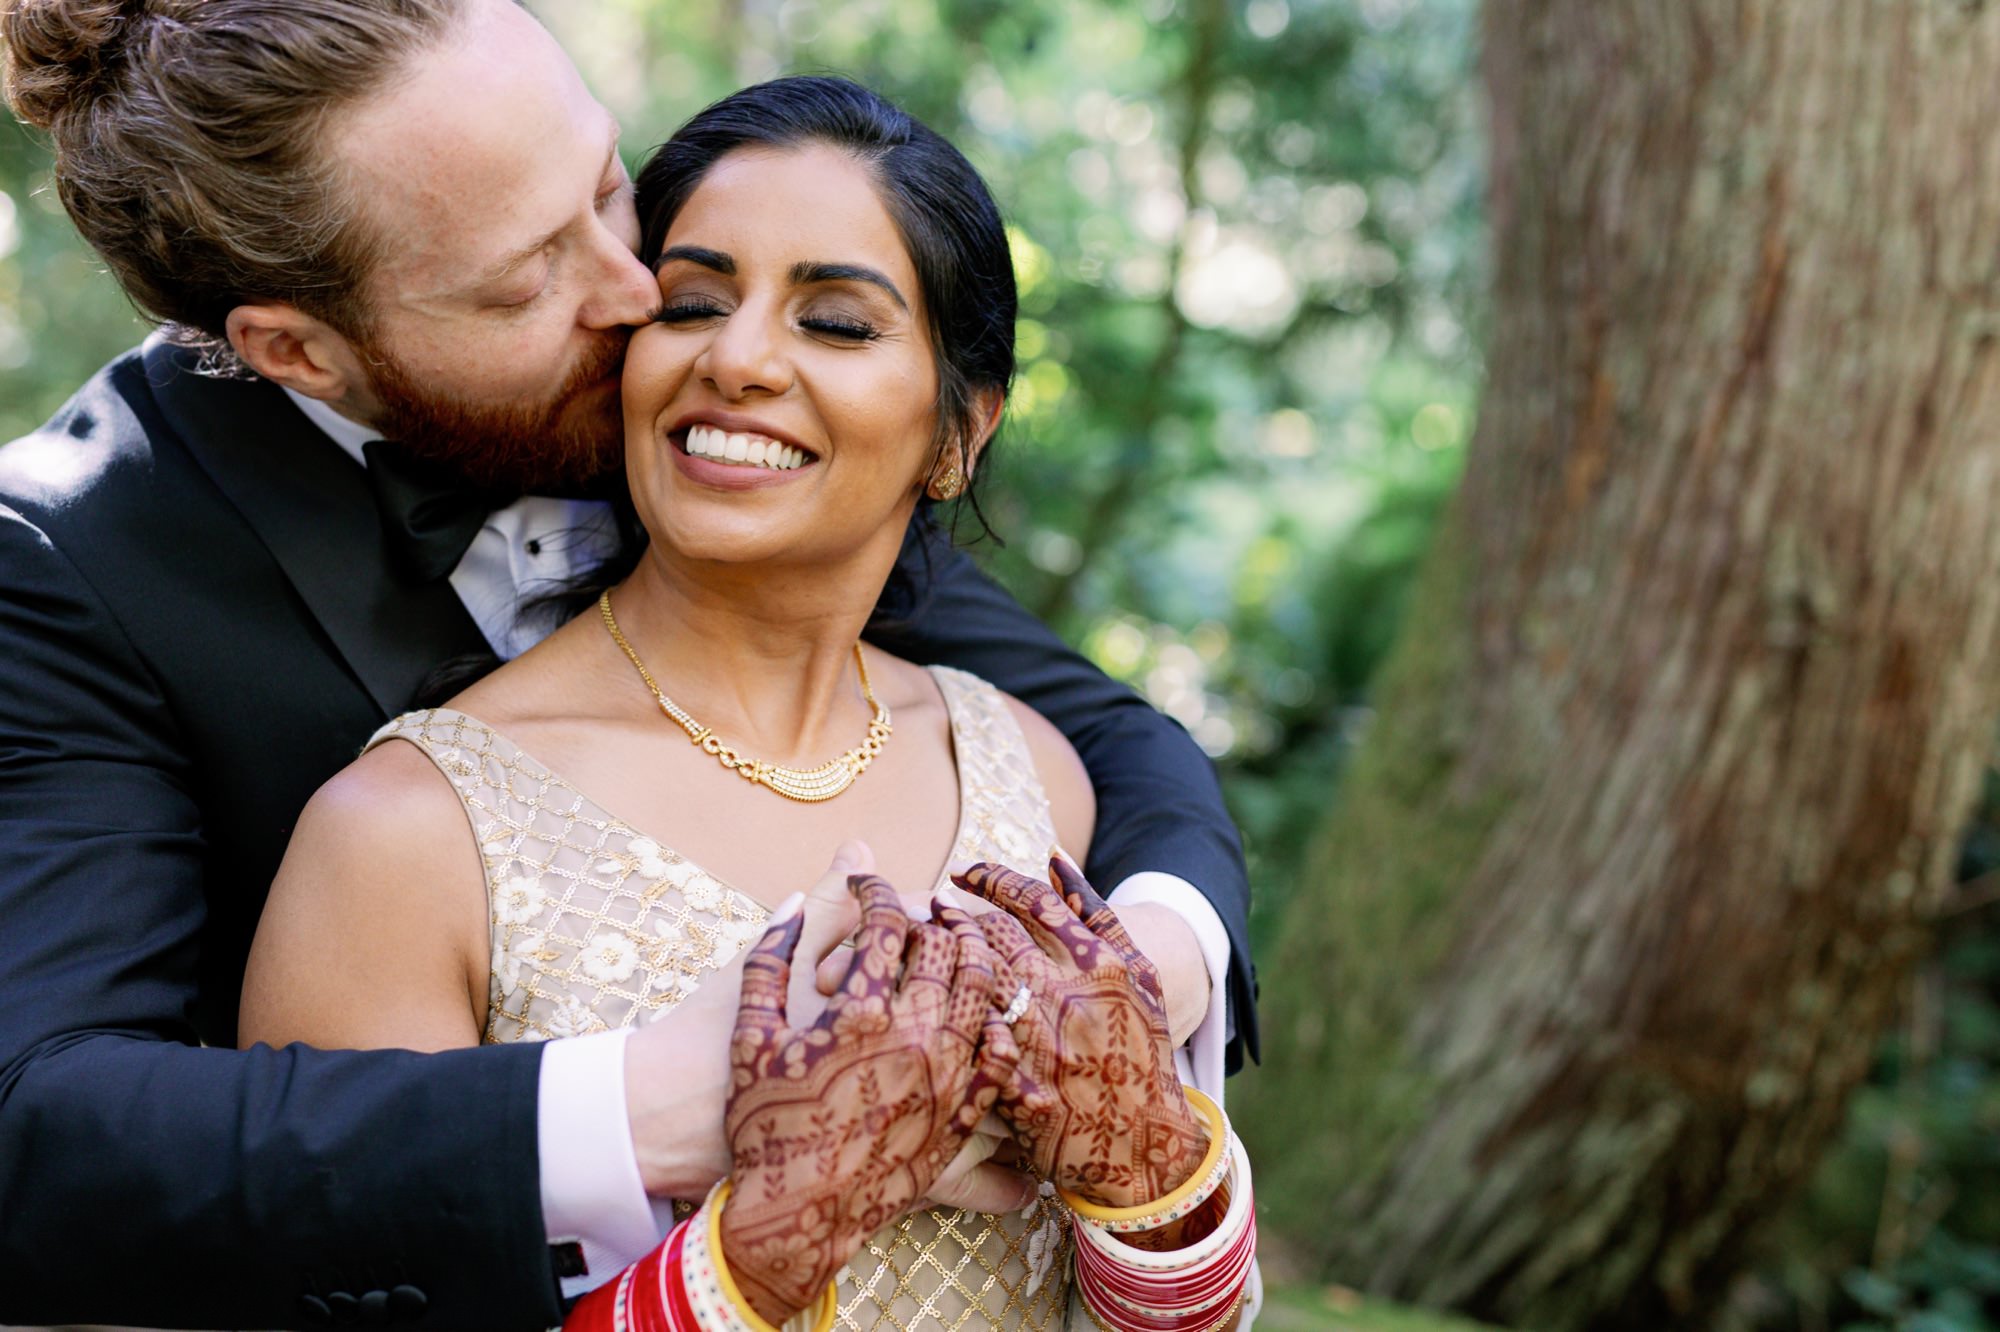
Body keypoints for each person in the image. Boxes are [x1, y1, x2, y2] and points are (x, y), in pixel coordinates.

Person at [0, 2, 1256, 1328]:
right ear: (298, 351)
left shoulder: (691, 394)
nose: (640, 291)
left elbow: (1111, 740)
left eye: (609, 184)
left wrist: (1147, 970)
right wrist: (658, 1100)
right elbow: (38, 1126)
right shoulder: (72, 559)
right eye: (527, 276)